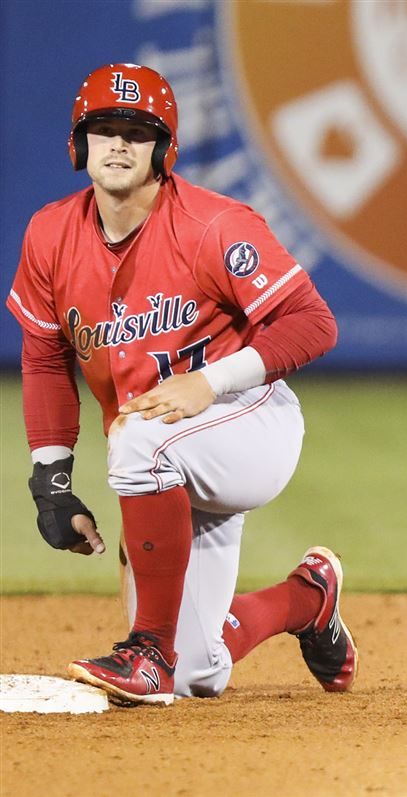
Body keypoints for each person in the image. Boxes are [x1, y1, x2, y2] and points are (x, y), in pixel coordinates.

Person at [7, 63, 356, 706]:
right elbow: (45, 357)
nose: (118, 144)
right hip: (168, 458)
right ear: (78, 145)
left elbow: (313, 322)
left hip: (248, 421)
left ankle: (146, 652)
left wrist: (208, 382)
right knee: (200, 675)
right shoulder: (50, 234)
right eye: (103, 129)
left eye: (137, 132)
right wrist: (49, 480)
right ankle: (306, 599)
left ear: (164, 149)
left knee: (138, 437)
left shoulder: (214, 225)